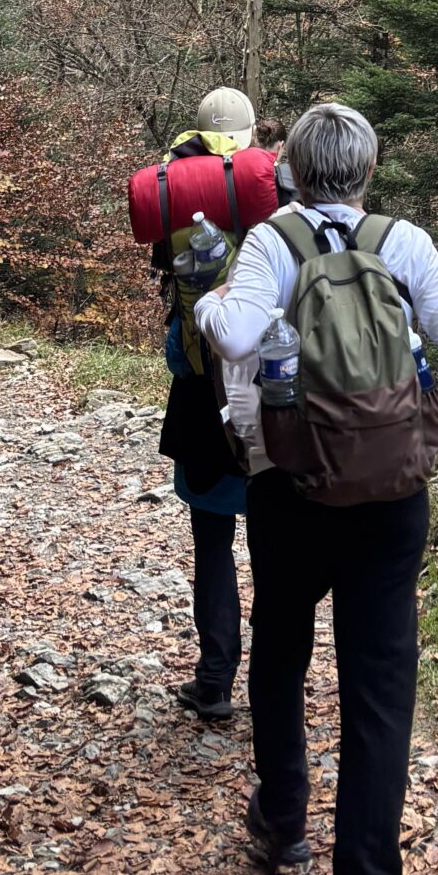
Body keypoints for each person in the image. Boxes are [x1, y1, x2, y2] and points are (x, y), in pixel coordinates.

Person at [196, 101, 438, 875]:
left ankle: (283, 818)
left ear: (287, 168)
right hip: (392, 496)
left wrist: (215, 303)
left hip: (291, 488)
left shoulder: (271, 243)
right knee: (377, 695)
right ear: (367, 170)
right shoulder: (403, 242)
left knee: (281, 648)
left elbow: (238, 335)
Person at [159, 84, 260, 722]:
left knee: (212, 546)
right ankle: (278, 682)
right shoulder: (273, 198)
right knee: (275, 550)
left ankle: (216, 680)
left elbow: (176, 351)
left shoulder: (178, 207)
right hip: (272, 401)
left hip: (202, 405)